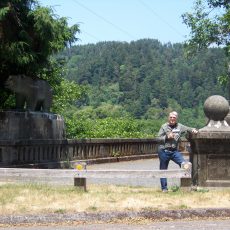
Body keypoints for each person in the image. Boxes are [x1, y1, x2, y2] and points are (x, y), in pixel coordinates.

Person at [157, 111, 198, 192]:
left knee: (185, 165)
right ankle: (164, 189)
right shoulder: (164, 126)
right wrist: (166, 137)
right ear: (168, 118)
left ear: (176, 119)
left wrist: (194, 130)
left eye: (174, 118)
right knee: (163, 170)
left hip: (174, 151)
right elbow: (158, 138)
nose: (172, 119)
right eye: (171, 117)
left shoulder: (180, 126)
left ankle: (185, 186)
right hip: (164, 151)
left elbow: (189, 129)